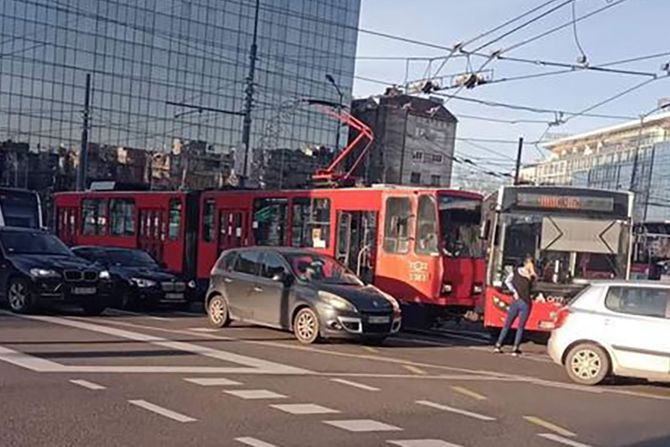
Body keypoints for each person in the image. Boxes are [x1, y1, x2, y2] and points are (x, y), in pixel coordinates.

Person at [494, 255, 537, 356]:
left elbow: (534, 286)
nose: (532, 265)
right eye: (531, 263)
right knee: (507, 324)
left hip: (526, 302)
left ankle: (515, 347)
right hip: (517, 301)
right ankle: (498, 344)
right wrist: (514, 291)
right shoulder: (516, 271)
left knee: (520, 326)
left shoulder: (532, 275)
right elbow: (507, 281)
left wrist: (533, 273)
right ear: (526, 263)